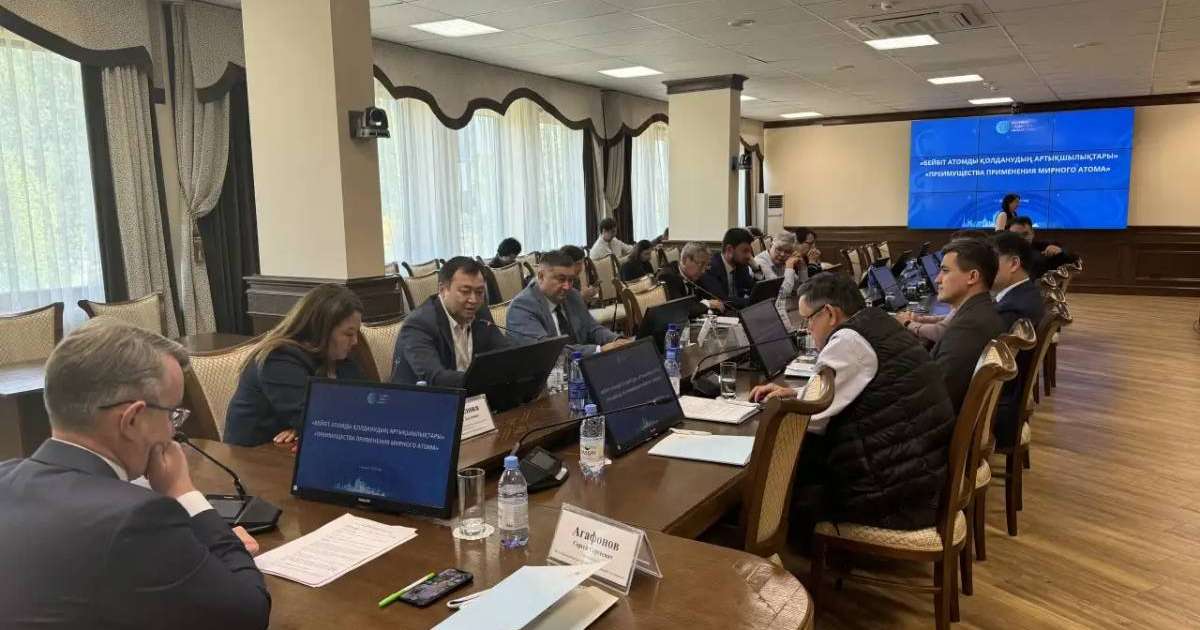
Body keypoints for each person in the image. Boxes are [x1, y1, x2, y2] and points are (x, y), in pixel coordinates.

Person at [0, 321, 271, 628]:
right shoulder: (134, 519)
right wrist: (184, 492)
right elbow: (248, 614)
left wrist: (182, 547)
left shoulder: (4, 477)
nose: (173, 430)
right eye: (171, 414)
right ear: (132, 421)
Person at [749, 273, 955, 530]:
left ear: (830, 313)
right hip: (918, 471)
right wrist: (795, 395)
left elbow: (808, 421)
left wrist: (766, 416)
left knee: (768, 486)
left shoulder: (848, 341)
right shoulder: (878, 322)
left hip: (892, 494)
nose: (807, 329)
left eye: (809, 320)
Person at [225, 284, 365, 447]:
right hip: (251, 459)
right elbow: (321, 422)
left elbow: (364, 404)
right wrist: (309, 426)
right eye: (348, 334)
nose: (355, 341)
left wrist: (304, 428)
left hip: (287, 452)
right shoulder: (278, 358)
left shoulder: (337, 357)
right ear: (321, 329)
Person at [391, 256, 514, 387]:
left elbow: (503, 353)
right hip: (424, 401)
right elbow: (435, 377)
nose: (473, 300)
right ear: (443, 290)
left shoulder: (480, 312)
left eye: (479, 292)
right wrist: (484, 378)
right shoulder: (419, 324)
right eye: (465, 291)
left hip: (471, 397)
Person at [929, 238, 1006, 413]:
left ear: (972, 277)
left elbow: (937, 397)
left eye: (945, 271)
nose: (937, 279)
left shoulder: (969, 327)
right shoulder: (980, 312)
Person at [507, 250, 629, 357]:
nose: (567, 286)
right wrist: (599, 350)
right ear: (541, 276)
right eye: (561, 279)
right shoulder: (522, 307)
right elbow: (548, 350)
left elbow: (592, 329)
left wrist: (617, 340)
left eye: (571, 280)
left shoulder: (573, 295)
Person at [990, 231, 1046, 448]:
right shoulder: (1026, 295)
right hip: (1009, 399)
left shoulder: (1012, 310)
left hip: (998, 412)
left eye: (991, 261)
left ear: (1014, 263)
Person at [656, 241, 723, 316]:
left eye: (706, 266)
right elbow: (681, 310)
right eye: (701, 265)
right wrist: (707, 304)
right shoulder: (667, 276)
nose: (703, 271)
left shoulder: (695, 276)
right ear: (685, 260)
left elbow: (710, 297)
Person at [698, 227, 756, 310]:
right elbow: (723, 300)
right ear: (729, 250)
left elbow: (755, 291)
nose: (749, 256)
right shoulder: (710, 267)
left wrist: (756, 269)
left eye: (750, 251)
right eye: (745, 251)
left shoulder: (741, 266)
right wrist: (752, 301)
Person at [1007, 216, 1077, 277]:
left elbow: (1073, 258)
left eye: (1025, 234)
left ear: (1032, 234)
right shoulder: (1000, 253)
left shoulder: (1043, 248)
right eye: (1015, 235)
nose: (1021, 238)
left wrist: (1060, 251)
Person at [754, 231, 808, 299]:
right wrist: (789, 267)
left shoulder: (784, 261)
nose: (782, 254)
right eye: (779, 249)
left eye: (787, 251)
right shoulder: (760, 261)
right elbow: (782, 293)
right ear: (771, 246)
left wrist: (802, 268)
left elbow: (802, 290)